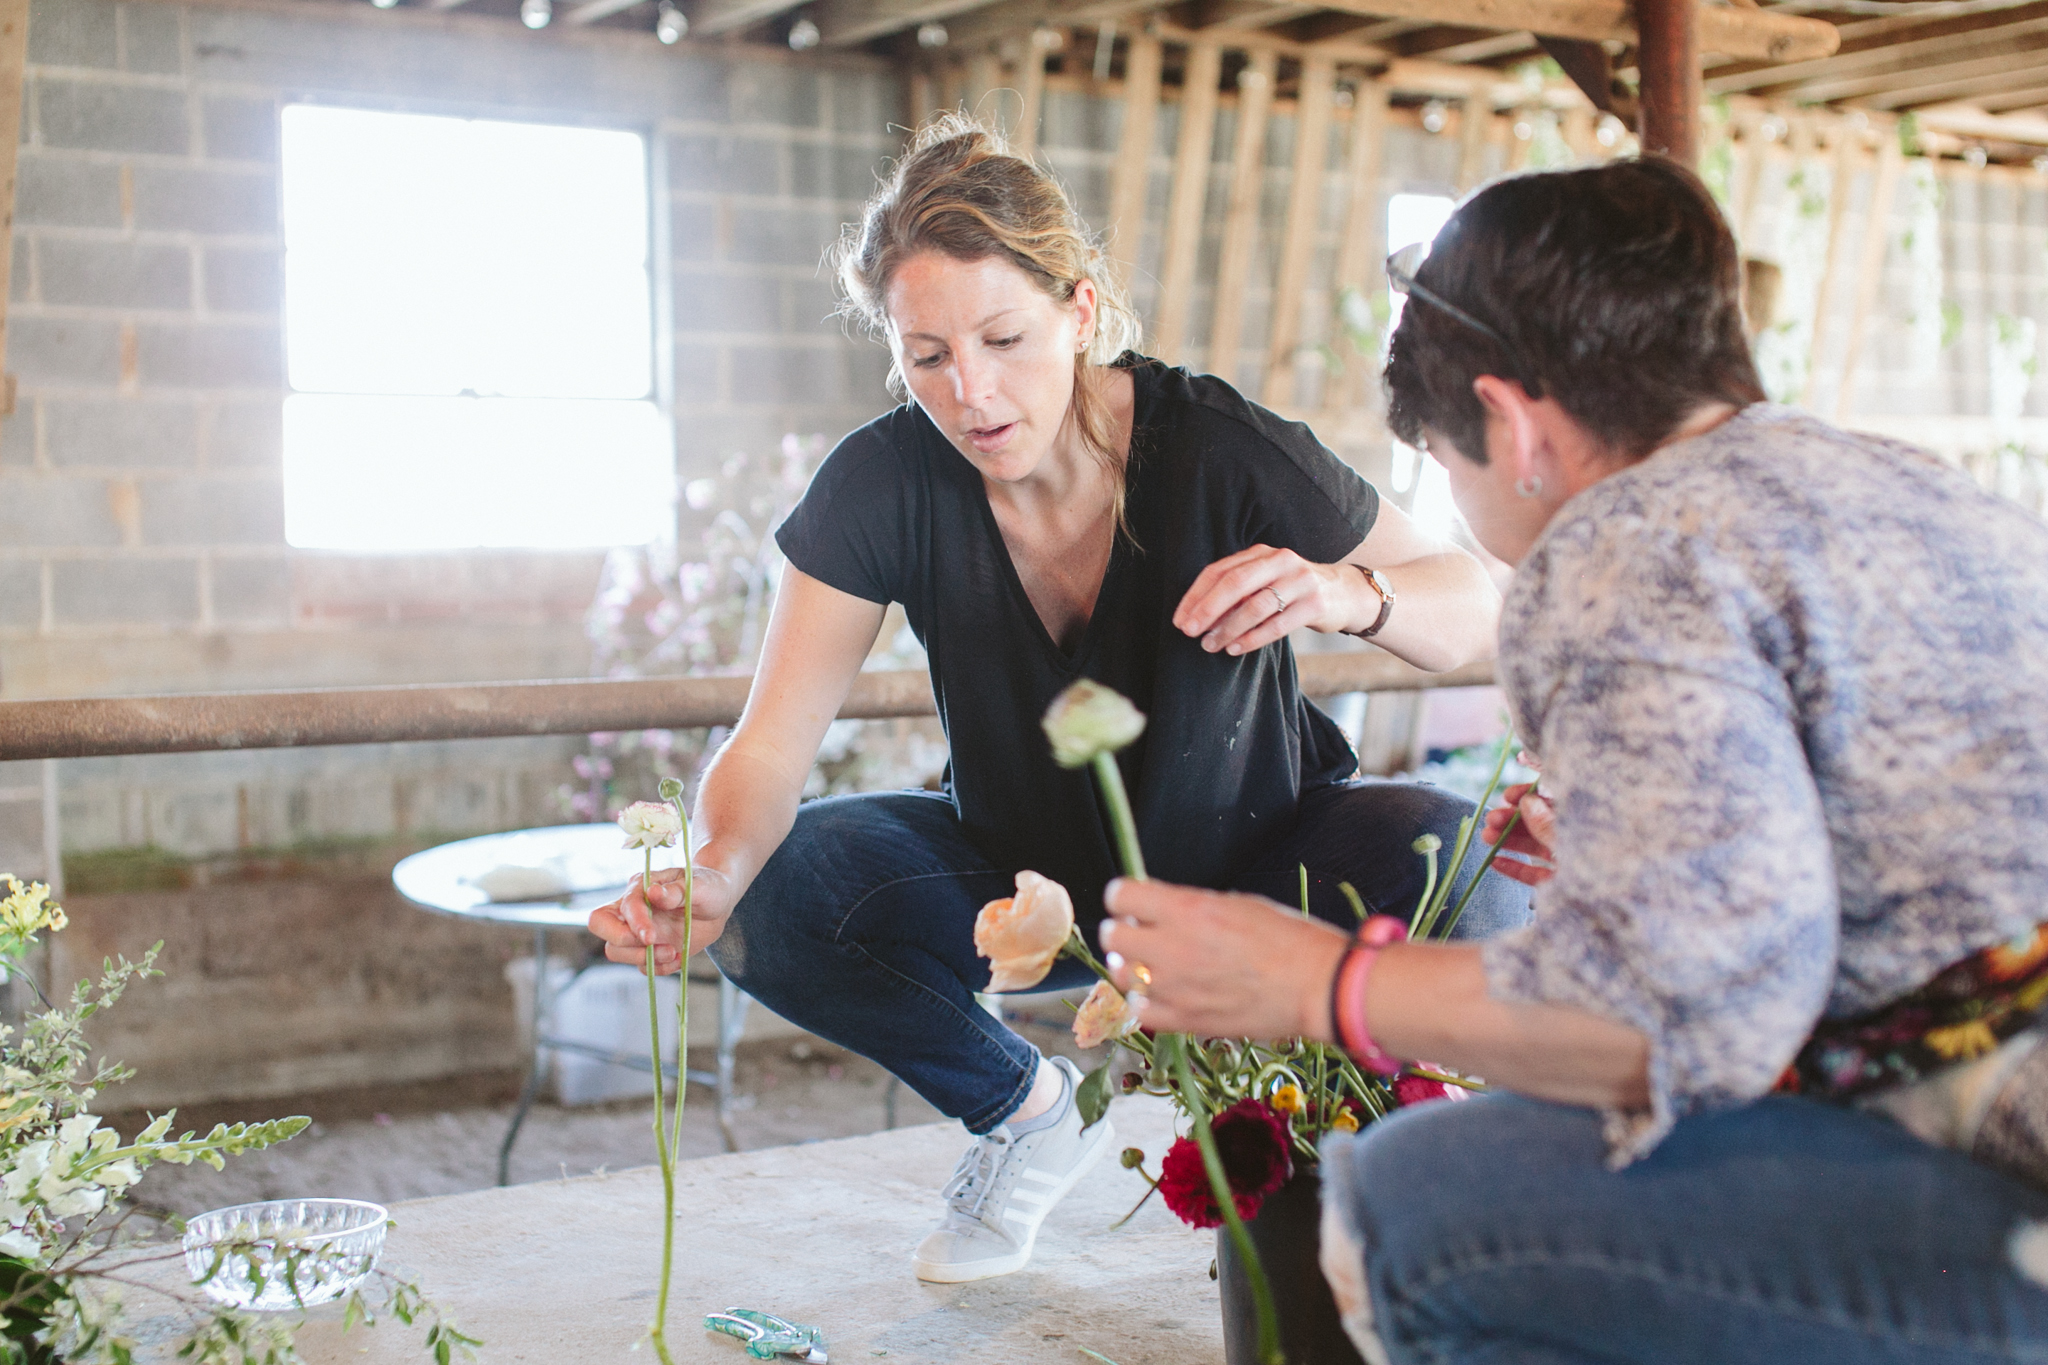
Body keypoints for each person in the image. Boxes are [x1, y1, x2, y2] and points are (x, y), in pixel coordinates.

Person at [1098, 156, 2048, 1363]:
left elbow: (1677, 1019)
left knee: (1409, 1206)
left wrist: (1323, 984)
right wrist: (1628, 852)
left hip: (2009, 1169)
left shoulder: (1614, 546)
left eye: (1447, 464)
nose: (1462, 498)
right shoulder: (1901, 483)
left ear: (1512, 423)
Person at [589, 114, 1526, 1284]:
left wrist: (1346, 592)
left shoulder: (1216, 445)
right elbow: (769, 748)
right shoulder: (881, 481)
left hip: (1262, 861)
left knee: (1466, 868)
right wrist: (715, 872)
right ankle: (1029, 1116)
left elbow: (1473, 603)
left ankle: (1376, 1180)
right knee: (779, 888)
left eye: (1001, 337)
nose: (969, 392)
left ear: (1079, 311)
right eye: (924, 355)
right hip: (1019, 890)